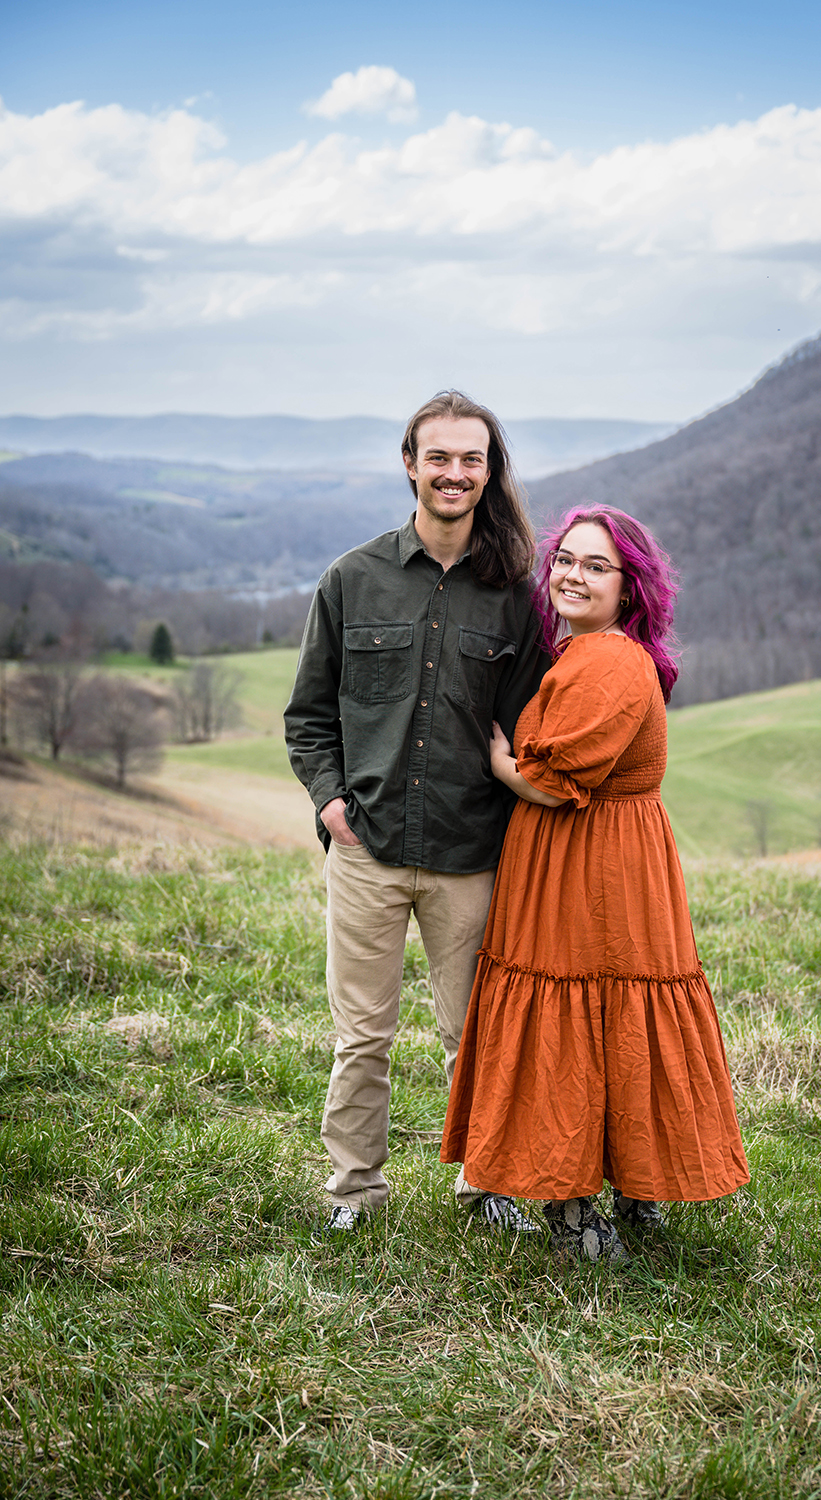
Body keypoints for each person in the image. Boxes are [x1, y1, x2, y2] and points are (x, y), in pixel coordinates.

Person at [440, 505, 749, 1261]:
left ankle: (578, 1209)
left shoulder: (611, 661)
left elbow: (554, 783)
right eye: (565, 561)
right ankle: (630, 1186)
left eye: (596, 566)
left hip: (591, 860)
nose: (573, 575)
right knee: (610, 1011)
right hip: (599, 853)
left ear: (630, 587)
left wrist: (500, 761)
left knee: (576, 1009)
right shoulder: (588, 652)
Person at [285, 391, 548, 1233]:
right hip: (367, 848)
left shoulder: (517, 601)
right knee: (361, 1038)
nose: (455, 473)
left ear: (488, 472)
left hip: (470, 853)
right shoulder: (352, 580)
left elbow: (532, 727)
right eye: (440, 457)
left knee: (474, 1037)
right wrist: (331, 805)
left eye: (472, 460)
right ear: (409, 463)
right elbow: (308, 715)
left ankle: (484, 1186)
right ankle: (354, 1193)